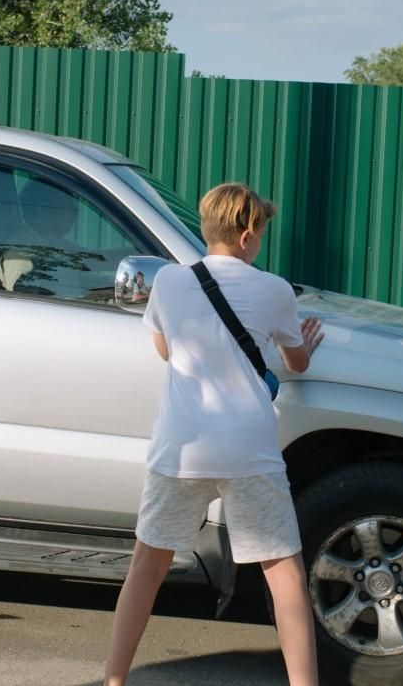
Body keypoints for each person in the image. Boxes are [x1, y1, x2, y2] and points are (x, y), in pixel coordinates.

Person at [103, 183, 324, 686]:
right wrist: (304, 344)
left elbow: (165, 350)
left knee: (147, 568)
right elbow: (296, 362)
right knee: (282, 573)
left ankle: (115, 680)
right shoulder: (275, 290)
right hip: (249, 448)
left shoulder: (169, 283)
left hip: (181, 446)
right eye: (261, 232)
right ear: (248, 234)